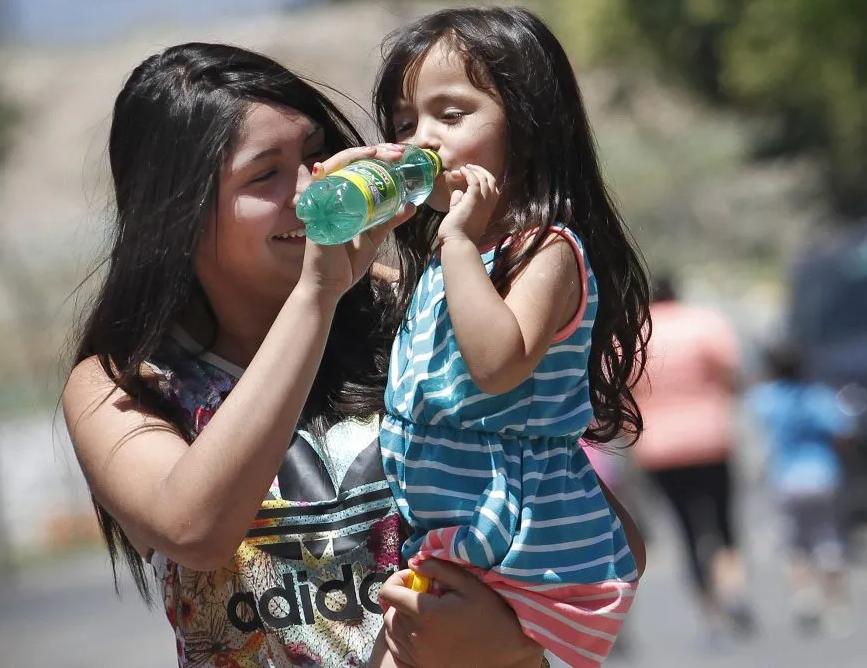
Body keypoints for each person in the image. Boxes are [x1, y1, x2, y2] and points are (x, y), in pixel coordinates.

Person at [62, 42, 547, 668]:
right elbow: (196, 530)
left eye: (316, 154)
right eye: (264, 174)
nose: (311, 188)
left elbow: (596, 524)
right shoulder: (124, 383)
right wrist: (316, 298)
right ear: (175, 216)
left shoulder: (420, 311)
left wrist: (516, 634)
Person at [371, 7, 650, 667]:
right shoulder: (446, 263)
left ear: (525, 128)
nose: (423, 141)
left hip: (511, 534)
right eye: (405, 122)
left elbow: (497, 364)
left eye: (450, 114)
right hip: (456, 532)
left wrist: (459, 242)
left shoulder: (545, 251)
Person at [631, 274, 754, 643]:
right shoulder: (703, 322)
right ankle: (734, 588)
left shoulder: (635, 335)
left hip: (660, 448)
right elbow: (731, 372)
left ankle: (710, 612)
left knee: (685, 530)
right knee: (723, 521)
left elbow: (620, 389)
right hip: (710, 437)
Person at [747, 340, 853, 635]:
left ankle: (805, 597)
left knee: (795, 544)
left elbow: (756, 424)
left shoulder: (765, 399)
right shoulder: (817, 396)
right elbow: (843, 429)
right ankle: (837, 604)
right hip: (824, 474)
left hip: (787, 479)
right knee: (830, 538)